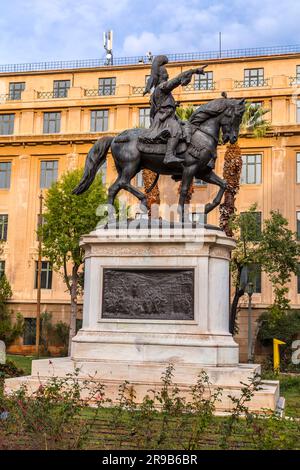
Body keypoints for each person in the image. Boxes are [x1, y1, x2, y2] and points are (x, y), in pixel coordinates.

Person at [143, 55, 207, 164]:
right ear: (161, 76)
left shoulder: (162, 90)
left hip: (169, 116)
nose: (167, 76)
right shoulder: (162, 88)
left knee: (187, 126)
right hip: (164, 119)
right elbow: (176, 80)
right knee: (176, 129)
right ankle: (169, 155)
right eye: (166, 74)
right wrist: (193, 71)